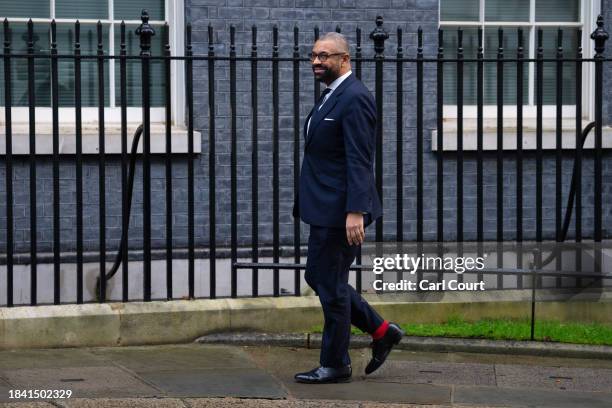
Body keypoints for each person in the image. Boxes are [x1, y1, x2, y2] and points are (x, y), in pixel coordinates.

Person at [292, 32, 404, 384]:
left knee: (331, 284)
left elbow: (360, 158)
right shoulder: (331, 97)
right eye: (313, 55)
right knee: (321, 277)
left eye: (324, 56)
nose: (316, 61)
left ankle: (336, 362)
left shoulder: (354, 98)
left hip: (342, 212)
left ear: (345, 59)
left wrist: (356, 211)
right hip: (324, 207)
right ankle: (382, 330)